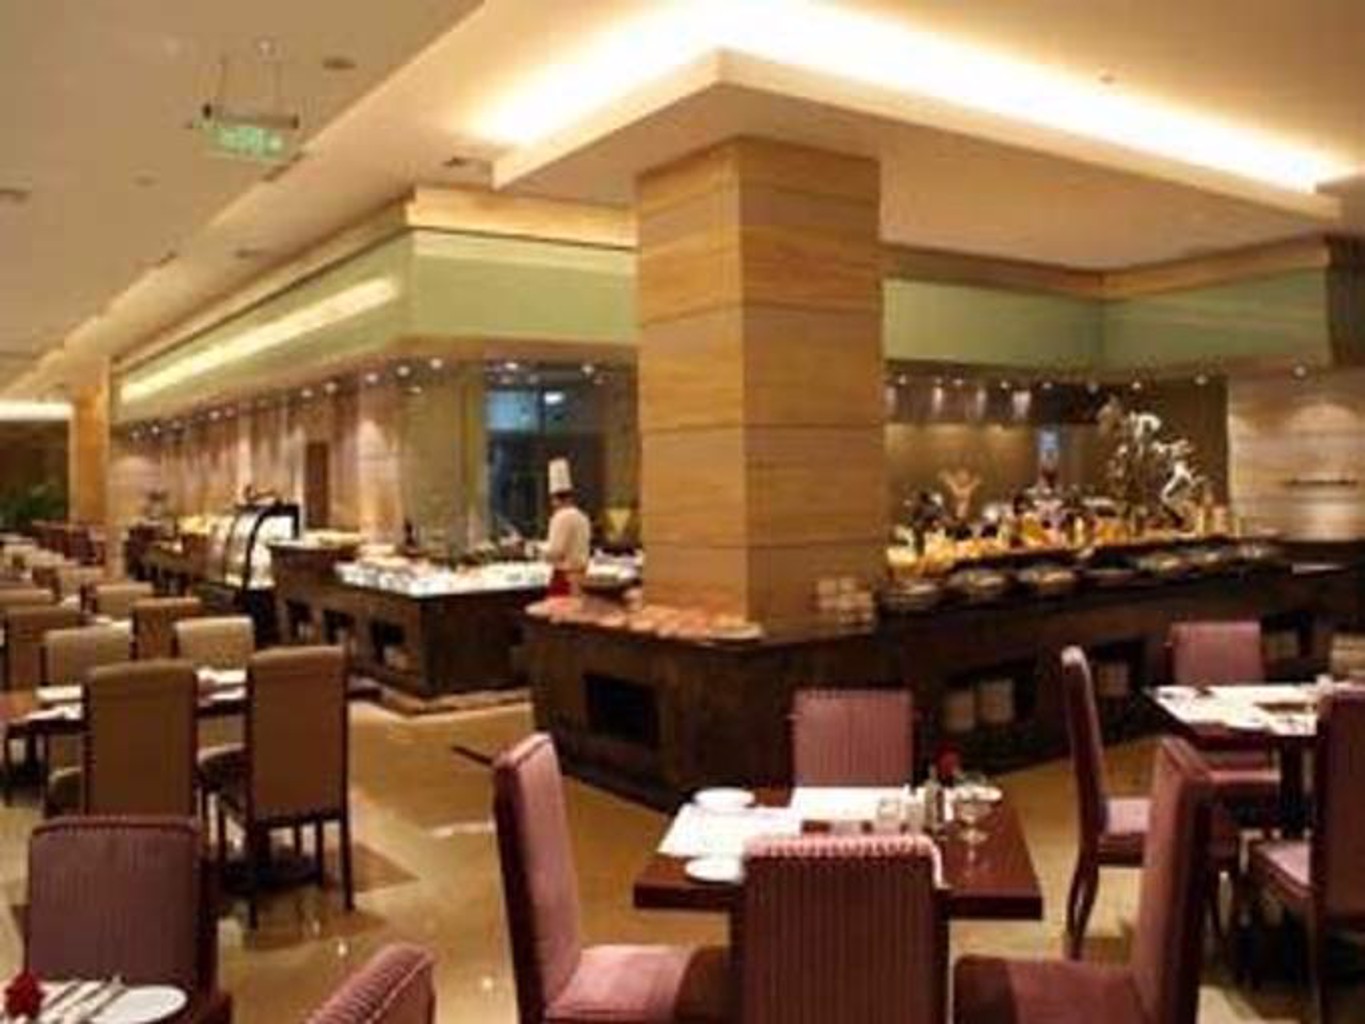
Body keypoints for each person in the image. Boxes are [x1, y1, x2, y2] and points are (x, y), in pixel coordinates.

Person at [543, 458, 591, 596]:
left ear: (554, 499)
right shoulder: (582, 517)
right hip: (582, 576)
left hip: (564, 578)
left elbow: (556, 552)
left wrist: (538, 551)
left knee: (561, 609)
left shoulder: (560, 517)